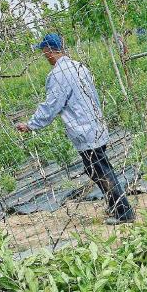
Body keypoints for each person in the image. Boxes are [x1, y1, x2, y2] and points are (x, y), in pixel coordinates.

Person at [16, 33, 135, 224]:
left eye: (44, 51)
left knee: (100, 170)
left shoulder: (58, 74)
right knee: (96, 168)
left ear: (49, 50)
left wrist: (31, 125)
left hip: (84, 129)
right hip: (95, 125)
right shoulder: (79, 66)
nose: (44, 55)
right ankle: (115, 206)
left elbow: (52, 104)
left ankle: (124, 212)